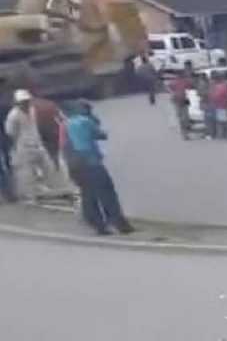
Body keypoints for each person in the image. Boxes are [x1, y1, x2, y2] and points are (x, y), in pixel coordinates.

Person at [62, 101, 133, 235]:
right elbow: (101, 134)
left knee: (88, 194)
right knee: (106, 191)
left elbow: (64, 145)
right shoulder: (85, 121)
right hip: (90, 161)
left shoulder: (65, 124)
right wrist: (93, 120)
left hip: (74, 164)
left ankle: (97, 225)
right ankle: (119, 223)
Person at [5, 90, 60, 202]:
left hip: (37, 142)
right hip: (23, 146)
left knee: (48, 167)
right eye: (23, 102)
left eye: (27, 101)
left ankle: (52, 189)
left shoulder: (32, 110)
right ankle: (30, 196)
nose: (25, 103)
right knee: (27, 173)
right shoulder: (13, 115)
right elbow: (10, 132)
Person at [168, 61, 195, 139]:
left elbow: (169, 88)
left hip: (180, 101)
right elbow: (191, 86)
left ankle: (184, 133)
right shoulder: (183, 81)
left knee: (182, 118)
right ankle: (184, 133)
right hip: (180, 101)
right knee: (183, 118)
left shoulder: (176, 81)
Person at [209, 74, 227, 140]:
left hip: (219, 106)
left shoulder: (215, 86)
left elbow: (212, 96)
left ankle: (222, 135)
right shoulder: (226, 85)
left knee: (220, 122)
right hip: (225, 105)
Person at [195, 73, 216, 139]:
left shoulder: (206, 83)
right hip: (207, 103)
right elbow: (198, 93)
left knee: (208, 120)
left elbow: (199, 93)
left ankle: (210, 134)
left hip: (208, 103)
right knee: (208, 119)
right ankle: (210, 133)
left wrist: (204, 94)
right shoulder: (210, 83)